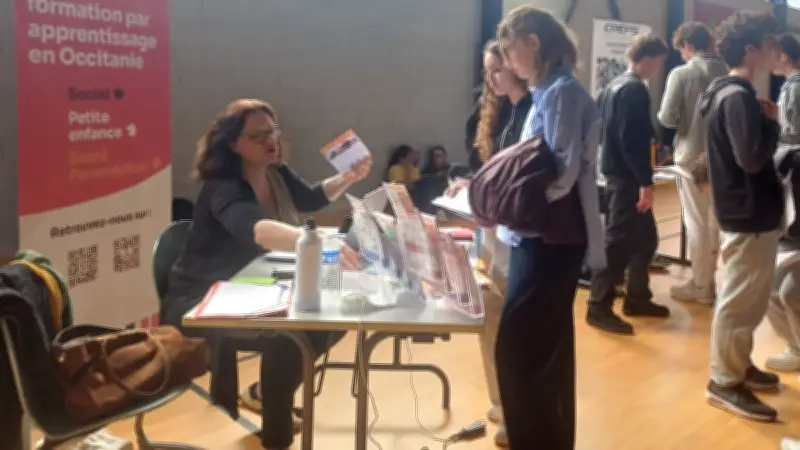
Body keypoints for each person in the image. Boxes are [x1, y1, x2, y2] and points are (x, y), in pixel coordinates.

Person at [161, 99, 372, 450]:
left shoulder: (275, 171)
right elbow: (255, 229)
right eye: (257, 136)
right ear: (234, 144)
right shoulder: (223, 186)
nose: (270, 141)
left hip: (251, 283)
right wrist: (315, 241)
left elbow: (312, 197)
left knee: (331, 318)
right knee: (291, 336)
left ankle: (266, 393)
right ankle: (276, 435)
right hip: (202, 297)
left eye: (272, 131)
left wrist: (348, 178)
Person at [493, 7, 605, 449]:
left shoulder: (561, 92)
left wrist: (508, 199)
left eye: (509, 49)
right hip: (540, 236)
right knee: (542, 351)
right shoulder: (549, 92)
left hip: (549, 238)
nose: (509, 61)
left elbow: (560, 174)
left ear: (533, 42)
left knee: (520, 352)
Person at [699, 11, 783, 422]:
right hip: (748, 213)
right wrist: (770, 125)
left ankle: (738, 364)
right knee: (738, 299)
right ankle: (724, 381)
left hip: (748, 212)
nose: (774, 50)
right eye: (769, 42)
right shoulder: (736, 96)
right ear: (750, 48)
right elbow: (751, 158)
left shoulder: (730, 93)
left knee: (749, 299)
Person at [587, 35, 670, 335]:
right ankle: (598, 307)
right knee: (617, 246)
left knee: (646, 241)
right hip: (627, 180)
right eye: (659, 63)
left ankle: (637, 298)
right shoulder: (634, 89)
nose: (659, 69)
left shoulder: (611, 87)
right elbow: (632, 142)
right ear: (648, 58)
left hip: (616, 175)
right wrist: (644, 182)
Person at [658, 22, 729, 306]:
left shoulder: (682, 73)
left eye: (681, 50)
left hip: (692, 157)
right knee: (715, 222)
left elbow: (666, 117)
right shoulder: (727, 71)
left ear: (687, 45)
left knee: (697, 222)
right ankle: (709, 280)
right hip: (723, 158)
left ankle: (702, 285)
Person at [764, 33, 800, 373]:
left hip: (795, 196)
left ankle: (796, 346)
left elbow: (793, 143)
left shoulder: (794, 87)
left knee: (781, 286)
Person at [468, 40, 533, 172]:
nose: (489, 79)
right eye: (486, 72)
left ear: (514, 69)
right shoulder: (495, 108)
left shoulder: (535, 108)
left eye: (497, 70)